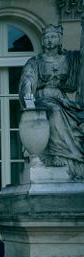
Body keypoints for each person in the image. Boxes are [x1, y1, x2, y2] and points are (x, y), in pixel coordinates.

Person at [19, 24, 84, 178]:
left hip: (63, 99)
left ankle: (71, 156)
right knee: (54, 111)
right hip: (43, 98)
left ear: (59, 39)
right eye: (46, 37)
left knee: (69, 113)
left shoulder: (69, 59)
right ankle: (58, 154)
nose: (49, 40)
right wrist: (28, 98)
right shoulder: (35, 61)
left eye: (53, 37)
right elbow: (28, 80)